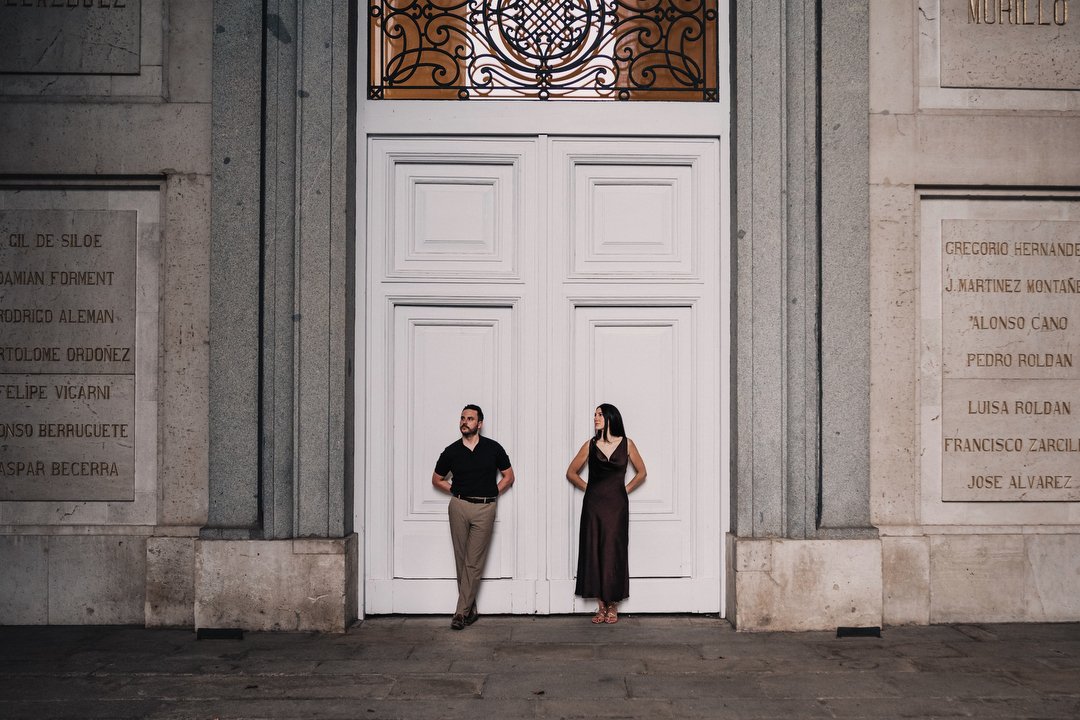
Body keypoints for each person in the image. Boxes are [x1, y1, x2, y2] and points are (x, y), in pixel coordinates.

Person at [432, 404, 515, 630]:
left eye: (469, 418)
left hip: (484, 508)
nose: (464, 422)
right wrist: (456, 491)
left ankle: (460, 613)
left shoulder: (493, 448)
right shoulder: (451, 451)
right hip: (459, 506)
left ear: (479, 424)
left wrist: (493, 492)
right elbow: (437, 479)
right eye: (462, 418)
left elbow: (509, 476)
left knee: (473, 562)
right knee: (462, 560)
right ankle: (470, 609)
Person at [565, 403, 646, 624]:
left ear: (611, 417)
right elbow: (571, 472)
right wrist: (590, 488)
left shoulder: (627, 444)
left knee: (614, 550)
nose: (595, 418)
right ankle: (601, 605)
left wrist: (624, 490)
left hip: (617, 505)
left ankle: (613, 605)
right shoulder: (590, 445)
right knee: (594, 550)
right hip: (593, 505)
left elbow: (642, 473)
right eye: (594, 415)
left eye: (599, 414)